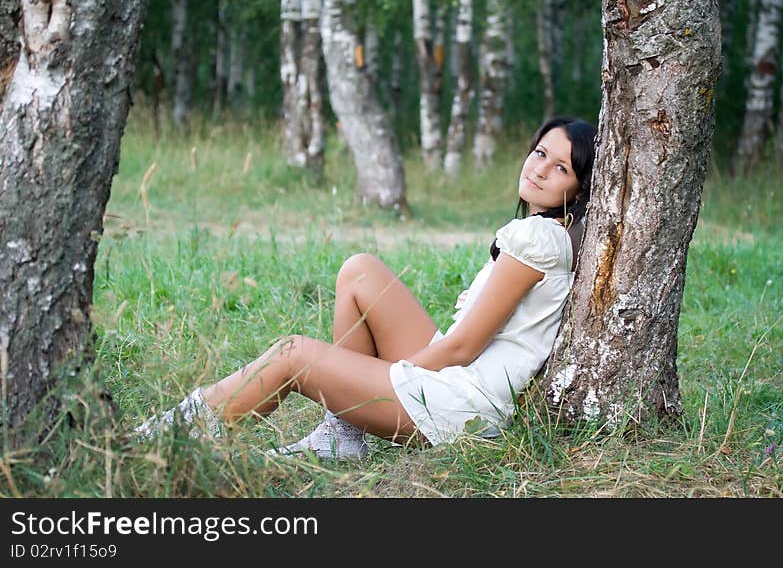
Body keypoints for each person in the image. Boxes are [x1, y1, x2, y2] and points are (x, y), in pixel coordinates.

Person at [134, 117, 598, 459]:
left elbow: (463, 346)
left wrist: (403, 374)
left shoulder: (538, 238)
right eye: (540, 153)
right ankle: (340, 438)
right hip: (463, 379)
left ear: (577, 190)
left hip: (464, 403)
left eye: (561, 168)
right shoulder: (543, 232)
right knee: (361, 271)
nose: (540, 169)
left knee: (293, 354)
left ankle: (174, 436)